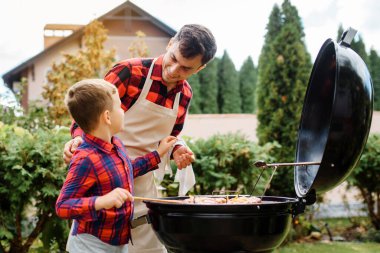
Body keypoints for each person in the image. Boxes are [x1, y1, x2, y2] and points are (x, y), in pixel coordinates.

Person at [62, 24, 217, 253]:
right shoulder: (128, 72)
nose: (174, 69)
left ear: (199, 69)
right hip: (104, 183)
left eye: (185, 68)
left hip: (143, 188)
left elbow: (170, 135)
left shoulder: (184, 95)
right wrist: (77, 140)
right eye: (173, 58)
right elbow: (88, 113)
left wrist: (176, 149)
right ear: (170, 44)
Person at [56, 79, 177, 253]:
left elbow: (127, 169)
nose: (123, 112)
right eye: (120, 107)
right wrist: (101, 201)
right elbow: (63, 206)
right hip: (90, 244)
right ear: (107, 116)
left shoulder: (116, 145)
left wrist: (158, 154)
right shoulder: (85, 158)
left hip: (119, 242)